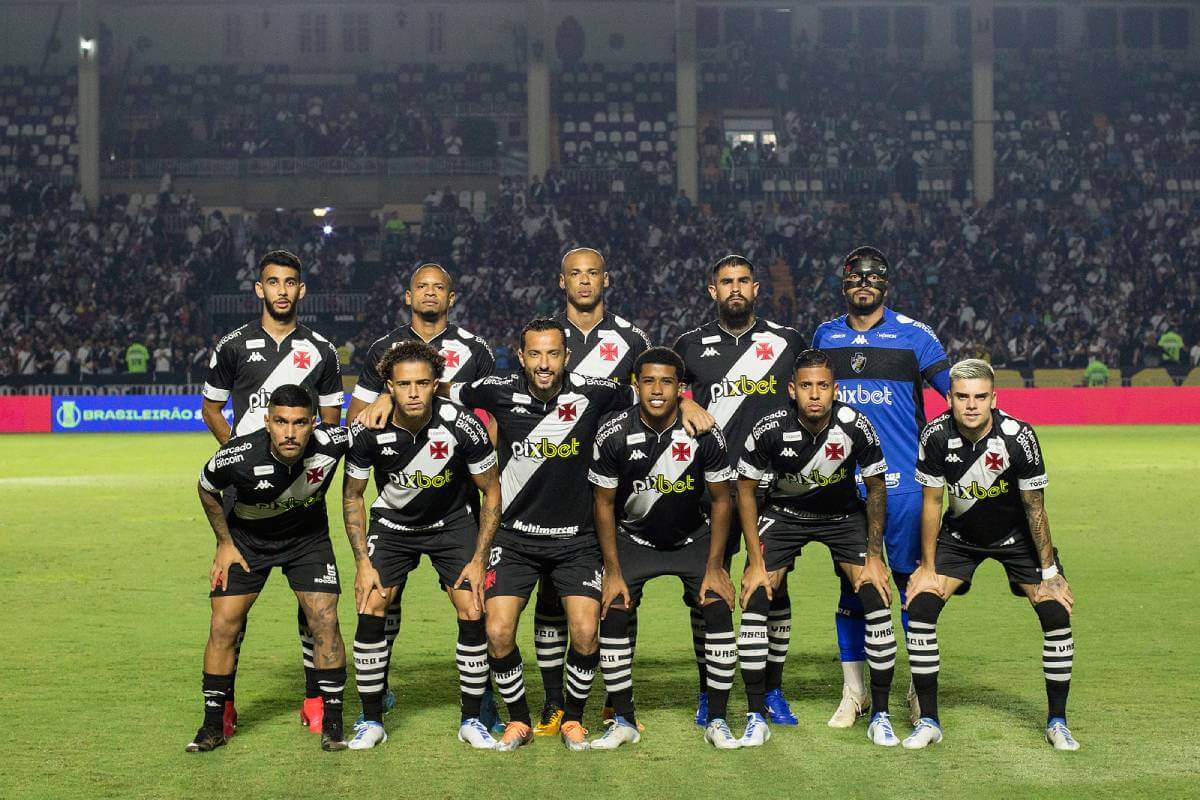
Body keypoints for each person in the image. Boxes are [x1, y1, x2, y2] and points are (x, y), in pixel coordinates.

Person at [440, 319, 713, 751]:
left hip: (577, 540)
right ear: (521, 355)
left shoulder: (597, 391)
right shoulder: (496, 388)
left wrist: (686, 402)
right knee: (497, 631)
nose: (544, 364)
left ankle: (572, 718)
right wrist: (383, 394)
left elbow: (652, 392)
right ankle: (518, 720)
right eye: (535, 354)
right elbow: (439, 388)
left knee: (587, 632)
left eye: (553, 354)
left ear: (567, 356)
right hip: (514, 539)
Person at [199, 249, 344, 739]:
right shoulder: (233, 346)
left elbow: (330, 423)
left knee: (316, 609)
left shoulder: (322, 350)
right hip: (247, 510)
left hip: (304, 505)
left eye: (290, 283)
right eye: (272, 282)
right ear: (259, 289)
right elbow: (211, 408)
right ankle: (224, 709)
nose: (282, 290)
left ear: (301, 290)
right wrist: (243, 457)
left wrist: (310, 467)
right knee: (229, 618)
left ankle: (314, 700)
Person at [345, 262, 496, 724]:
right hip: (398, 494)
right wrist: (383, 399)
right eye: (421, 287)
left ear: (452, 298)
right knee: (385, 598)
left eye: (439, 288)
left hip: (458, 494)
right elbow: (358, 421)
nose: (430, 293)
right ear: (407, 296)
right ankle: (379, 690)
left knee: (472, 600)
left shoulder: (475, 349)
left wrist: (443, 411)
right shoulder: (381, 349)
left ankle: (481, 701)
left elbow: (491, 417)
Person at [903, 359, 1078, 751]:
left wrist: (1049, 571)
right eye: (962, 397)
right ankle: (929, 720)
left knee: (1055, 612)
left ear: (994, 399)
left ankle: (1057, 722)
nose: (971, 405)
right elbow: (931, 503)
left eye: (980, 397)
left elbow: (1035, 508)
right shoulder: (934, 435)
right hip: (960, 537)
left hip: (1016, 537)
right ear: (949, 398)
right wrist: (927, 568)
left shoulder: (1019, 437)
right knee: (921, 608)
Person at [811, 246, 951, 728]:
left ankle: (916, 689)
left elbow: (957, 394)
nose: (864, 283)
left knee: (914, 587)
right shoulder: (825, 336)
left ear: (886, 284)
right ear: (844, 284)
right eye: (855, 277)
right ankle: (855, 693)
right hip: (845, 487)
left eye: (874, 276)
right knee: (853, 590)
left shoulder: (915, 335)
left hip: (905, 485)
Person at [735, 349, 899, 747]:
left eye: (822, 386)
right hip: (784, 514)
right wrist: (754, 561)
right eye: (806, 386)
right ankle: (756, 715)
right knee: (758, 593)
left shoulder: (855, 425)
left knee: (875, 593)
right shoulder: (770, 427)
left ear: (834, 389)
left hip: (843, 517)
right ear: (792, 389)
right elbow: (743, 490)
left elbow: (877, 488)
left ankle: (880, 714)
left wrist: (875, 558)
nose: (814, 394)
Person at [673, 254, 807, 727]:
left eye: (743, 281)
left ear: (756, 288)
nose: (735, 288)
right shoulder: (688, 345)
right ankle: (709, 690)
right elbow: (656, 394)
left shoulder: (787, 342)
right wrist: (685, 403)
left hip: (771, 487)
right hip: (707, 487)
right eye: (726, 282)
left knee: (773, 585)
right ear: (712, 291)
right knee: (706, 588)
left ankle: (771, 688)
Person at [589, 347, 741, 750]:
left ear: (681, 389)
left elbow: (723, 500)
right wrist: (613, 570)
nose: (657, 390)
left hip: (693, 538)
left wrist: (715, 566)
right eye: (649, 381)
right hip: (633, 540)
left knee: (717, 605)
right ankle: (622, 719)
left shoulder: (704, 433)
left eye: (667, 382)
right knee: (614, 611)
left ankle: (718, 719)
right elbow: (603, 504)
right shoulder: (613, 431)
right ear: (635, 385)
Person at [186, 384, 350, 753]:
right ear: (267, 421)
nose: (290, 432)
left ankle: (333, 721)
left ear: (313, 424)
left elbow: (369, 427)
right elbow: (205, 487)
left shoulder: (334, 440)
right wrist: (224, 543)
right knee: (223, 621)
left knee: (325, 618)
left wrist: (385, 399)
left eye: (299, 423)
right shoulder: (239, 455)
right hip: (247, 544)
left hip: (307, 541)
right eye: (280, 422)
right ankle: (213, 723)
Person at [534, 247, 652, 736]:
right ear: (561, 281)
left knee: (616, 592)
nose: (584, 282)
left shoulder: (631, 339)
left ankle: (611, 697)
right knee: (549, 595)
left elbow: (654, 392)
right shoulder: (543, 338)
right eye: (574, 274)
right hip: (550, 482)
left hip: (614, 484)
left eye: (592, 274)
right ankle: (553, 700)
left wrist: (685, 406)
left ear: (607, 279)